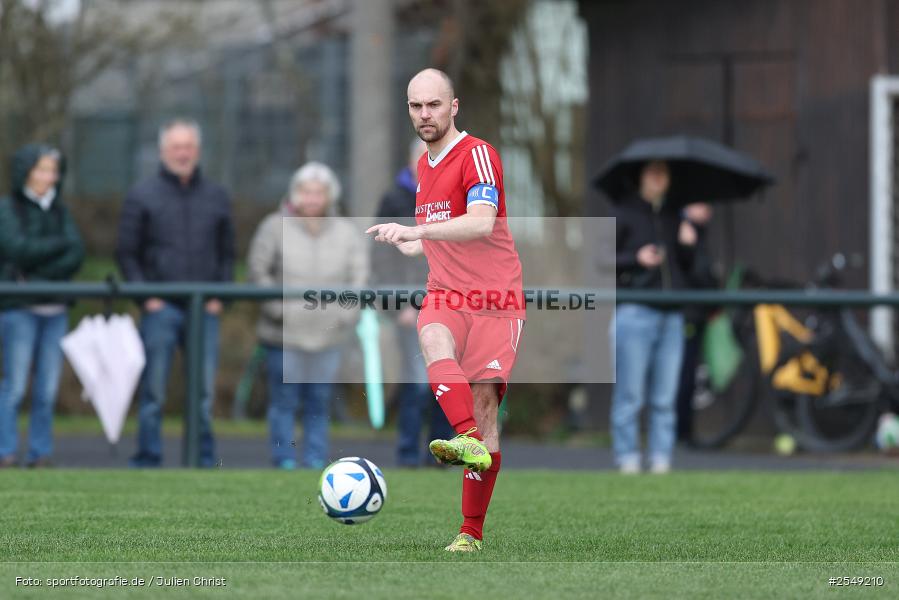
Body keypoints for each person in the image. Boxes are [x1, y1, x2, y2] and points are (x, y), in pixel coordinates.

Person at [367, 68, 525, 552]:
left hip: (496, 300)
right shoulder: (423, 165)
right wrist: (405, 239)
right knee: (431, 335)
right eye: (416, 106)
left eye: (434, 105)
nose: (424, 115)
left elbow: (478, 224)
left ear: (453, 106)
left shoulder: (477, 154)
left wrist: (418, 234)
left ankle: (470, 533)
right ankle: (465, 438)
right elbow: (434, 237)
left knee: (485, 411)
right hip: (447, 293)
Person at [116, 119, 235, 468]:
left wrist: (219, 298)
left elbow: (228, 253)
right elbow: (126, 253)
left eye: (189, 147)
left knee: (203, 393)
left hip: (205, 310)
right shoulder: (142, 194)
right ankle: (149, 457)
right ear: (163, 151)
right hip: (160, 308)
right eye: (176, 147)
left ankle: (203, 459)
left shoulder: (216, 196)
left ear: (197, 151)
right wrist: (146, 298)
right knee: (154, 390)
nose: (183, 153)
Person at [248, 161, 367, 470]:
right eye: (306, 192)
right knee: (283, 402)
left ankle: (316, 459)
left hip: (329, 336)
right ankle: (283, 458)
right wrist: (280, 311)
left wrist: (343, 317)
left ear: (329, 196)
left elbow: (359, 278)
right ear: (295, 194)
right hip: (283, 336)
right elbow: (258, 273)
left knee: (319, 402)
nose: (313, 199)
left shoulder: (346, 232)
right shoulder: (273, 227)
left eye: (319, 192)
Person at [0, 144, 85, 468]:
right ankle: (5, 452)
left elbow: (76, 253)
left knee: (47, 390)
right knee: (15, 386)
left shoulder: (61, 211)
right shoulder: (8, 209)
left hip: (55, 310)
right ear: (26, 171)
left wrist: (37, 271)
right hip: (19, 310)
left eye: (53, 170)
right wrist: (56, 252)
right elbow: (17, 250)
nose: (49, 177)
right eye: (42, 169)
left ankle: (40, 453)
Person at [371, 138, 454, 467]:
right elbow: (382, 258)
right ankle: (407, 455)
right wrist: (398, 306)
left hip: (448, 305)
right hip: (412, 309)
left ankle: (442, 457)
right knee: (418, 384)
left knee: (445, 384)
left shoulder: (453, 199)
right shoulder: (394, 200)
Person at [611, 160, 697, 474]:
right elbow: (599, 258)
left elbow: (687, 270)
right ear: (642, 176)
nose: (660, 177)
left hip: (672, 315)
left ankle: (661, 458)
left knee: (665, 396)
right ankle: (627, 457)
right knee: (630, 393)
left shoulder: (677, 217)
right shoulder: (623, 212)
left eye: (665, 172)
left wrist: (689, 243)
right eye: (653, 171)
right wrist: (636, 259)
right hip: (635, 311)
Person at [674, 203, 716, 444]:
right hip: (686, 315)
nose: (707, 209)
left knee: (689, 374)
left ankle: (685, 431)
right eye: (701, 203)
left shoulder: (699, 233)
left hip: (698, 315)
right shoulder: (681, 231)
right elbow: (696, 273)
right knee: (684, 375)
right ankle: (681, 433)